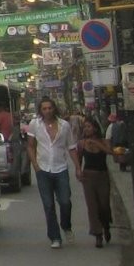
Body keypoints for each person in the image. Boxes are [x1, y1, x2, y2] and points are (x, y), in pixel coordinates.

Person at [26, 96, 80, 248]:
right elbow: (30, 146)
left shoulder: (64, 126)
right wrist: (35, 165)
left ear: (54, 108)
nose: (47, 111)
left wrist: (78, 167)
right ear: (40, 110)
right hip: (43, 169)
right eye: (44, 108)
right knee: (48, 205)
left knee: (65, 201)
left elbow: (71, 147)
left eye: (50, 108)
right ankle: (55, 237)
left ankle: (66, 226)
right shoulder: (34, 124)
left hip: (60, 168)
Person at [76, 115, 115, 248]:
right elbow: (79, 158)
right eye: (85, 127)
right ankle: (97, 234)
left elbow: (110, 152)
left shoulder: (103, 141)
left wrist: (96, 143)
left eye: (89, 126)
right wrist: (78, 171)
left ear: (95, 128)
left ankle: (106, 226)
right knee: (92, 207)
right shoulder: (82, 143)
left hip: (102, 176)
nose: (87, 129)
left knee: (104, 205)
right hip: (89, 177)